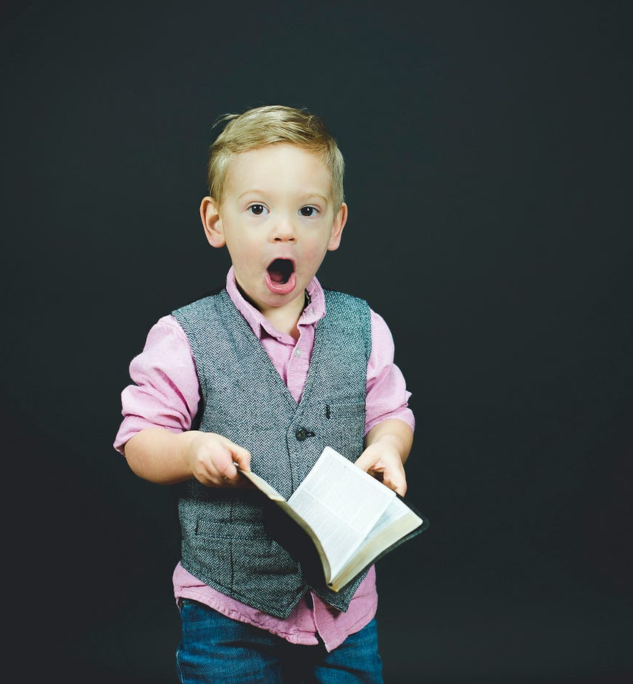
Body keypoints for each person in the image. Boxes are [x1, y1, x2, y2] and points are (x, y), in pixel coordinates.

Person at [113, 105, 415, 683]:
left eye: (308, 210)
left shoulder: (363, 327)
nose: (285, 230)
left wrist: (389, 447)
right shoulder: (184, 336)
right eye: (258, 209)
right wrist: (188, 450)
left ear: (336, 226)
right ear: (215, 222)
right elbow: (137, 440)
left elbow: (391, 411)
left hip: (343, 608)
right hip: (228, 605)